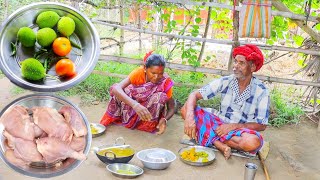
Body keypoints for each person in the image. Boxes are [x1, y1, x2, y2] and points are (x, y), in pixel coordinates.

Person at [181, 44, 269, 159]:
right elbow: (194, 95)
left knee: (252, 143)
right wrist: (189, 118)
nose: (235, 67)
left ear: (252, 67)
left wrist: (233, 126)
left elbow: (261, 125)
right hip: (218, 123)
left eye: (241, 63)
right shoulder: (226, 81)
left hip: (240, 131)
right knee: (185, 109)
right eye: (235, 62)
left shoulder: (261, 91)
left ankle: (208, 136)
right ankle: (219, 144)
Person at [100, 52, 175, 134]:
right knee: (122, 91)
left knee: (160, 96)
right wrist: (135, 105)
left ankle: (146, 124)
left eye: (160, 73)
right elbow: (116, 89)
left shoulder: (166, 81)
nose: (156, 77)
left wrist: (164, 120)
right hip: (133, 105)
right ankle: (125, 118)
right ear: (145, 69)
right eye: (153, 73)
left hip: (148, 111)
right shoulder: (139, 73)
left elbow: (171, 107)